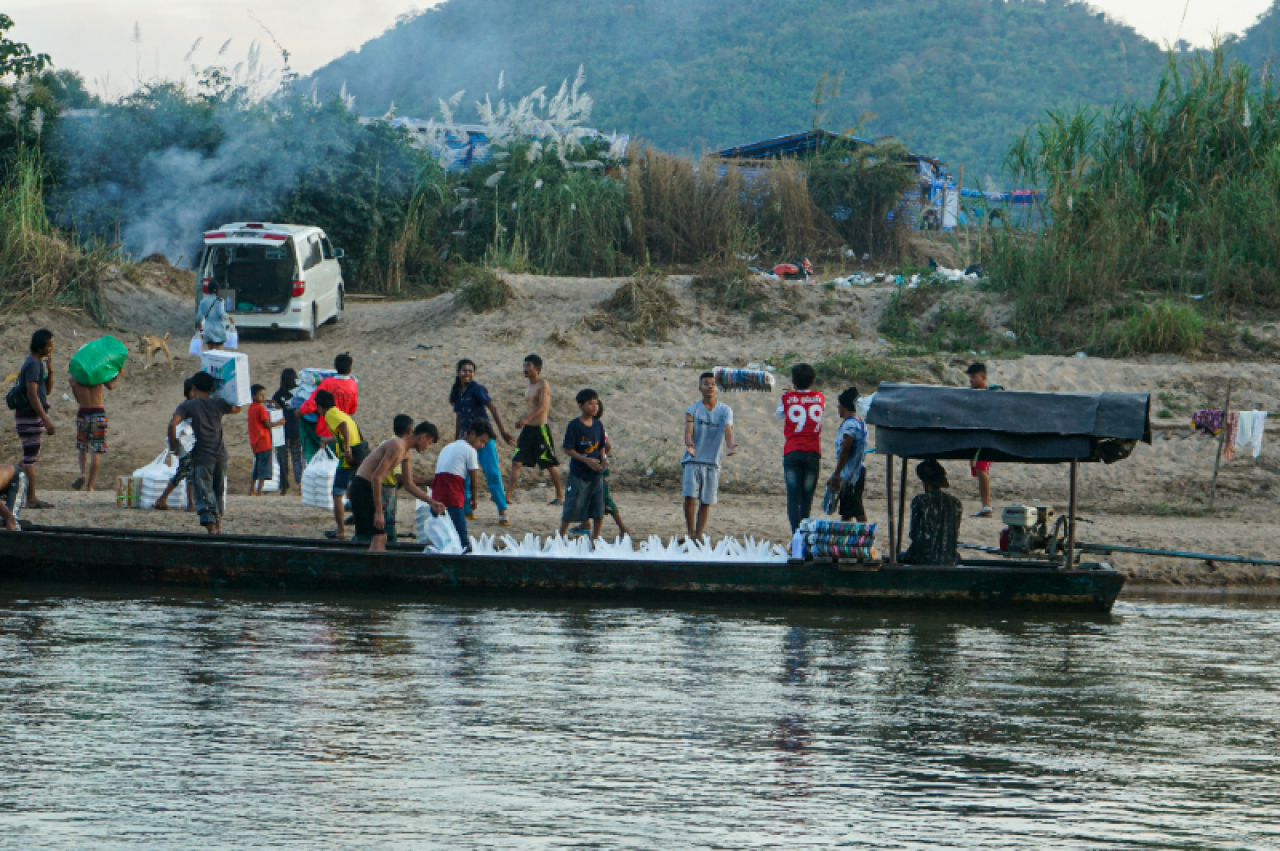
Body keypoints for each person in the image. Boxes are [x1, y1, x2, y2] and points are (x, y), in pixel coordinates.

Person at [351, 420, 444, 552]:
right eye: (429, 443)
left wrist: (432, 502)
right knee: (373, 537)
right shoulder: (397, 446)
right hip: (362, 486)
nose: (427, 448)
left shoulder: (406, 453)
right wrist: (379, 512)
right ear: (423, 437)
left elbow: (408, 484)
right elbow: (376, 477)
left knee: (380, 537)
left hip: (370, 488)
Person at [167, 371, 240, 534]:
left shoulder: (188, 406)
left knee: (204, 494)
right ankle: (219, 526)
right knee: (218, 492)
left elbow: (172, 424)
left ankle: (212, 530)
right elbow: (237, 408)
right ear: (212, 388)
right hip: (221, 456)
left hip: (202, 457)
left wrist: (173, 446)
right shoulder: (218, 404)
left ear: (193, 387)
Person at [449, 359, 514, 526]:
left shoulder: (477, 389)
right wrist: (456, 439)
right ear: (458, 372)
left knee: (492, 472)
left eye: (470, 371)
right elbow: (459, 416)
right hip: (466, 437)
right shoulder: (457, 392)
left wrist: (502, 431)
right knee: (465, 474)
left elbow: (492, 408)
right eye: (464, 370)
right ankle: (467, 509)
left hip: (483, 436)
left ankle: (502, 510)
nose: (467, 373)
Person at [682, 372, 737, 540]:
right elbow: (688, 432)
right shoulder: (692, 410)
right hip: (693, 459)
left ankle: (698, 535)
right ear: (700, 387)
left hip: (712, 462)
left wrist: (730, 445)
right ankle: (690, 533)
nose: (710, 386)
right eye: (706, 383)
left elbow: (728, 429)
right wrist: (690, 445)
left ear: (717, 387)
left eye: (713, 383)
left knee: (706, 500)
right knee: (690, 496)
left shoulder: (725, 410)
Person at [571, 399, 632, 538]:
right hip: (590, 467)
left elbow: (606, 445)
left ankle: (623, 528)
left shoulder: (596, 427)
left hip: (597, 468)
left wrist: (599, 457)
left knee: (604, 499)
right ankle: (585, 523)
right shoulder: (592, 426)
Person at [510, 354, 564, 505]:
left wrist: (526, 418)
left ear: (537, 368)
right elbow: (532, 407)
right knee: (516, 461)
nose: (525, 369)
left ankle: (560, 495)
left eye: (528, 366)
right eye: (524, 366)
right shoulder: (529, 385)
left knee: (549, 463)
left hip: (540, 430)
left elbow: (543, 407)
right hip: (528, 429)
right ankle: (508, 495)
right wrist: (524, 420)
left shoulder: (543, 384)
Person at [777, 362, 825, 532]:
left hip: (792, 450)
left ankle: (795, 535)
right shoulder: (820, 397)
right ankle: (804, 535)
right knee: (806, 499)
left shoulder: (787, 398)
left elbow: (779, 414)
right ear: (813, 381)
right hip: (812, 451)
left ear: (793, 380)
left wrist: (789, 394)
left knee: (793, 498)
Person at [431, 419, 494, 550]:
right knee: (462, 537)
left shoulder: (448, 446)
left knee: (441, 534)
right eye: (481, 441)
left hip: (436, 494)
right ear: (472, 434)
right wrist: (474, 499)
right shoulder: (470, 450)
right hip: (453, 495)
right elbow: (474, 480)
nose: (482, 445)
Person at [315, 388, 368, 540]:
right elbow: (342, 432)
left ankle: (340, 530)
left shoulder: (330, 415)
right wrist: (327, 440)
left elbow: (344, 426)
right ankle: (356, 519)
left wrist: (346, 449)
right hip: (359, 454)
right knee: (354, 490)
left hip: (347, 458)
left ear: (320, 406)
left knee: (337, 493)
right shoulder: (340, 413)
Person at [12, 329, 55, 510]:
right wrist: (46, 419)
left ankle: (8, 482)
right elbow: (32, 394)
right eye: (49, 345)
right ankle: (31, 498)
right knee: (29, 459)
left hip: (30, 415)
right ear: (40, 347)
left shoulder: (36, 364)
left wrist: (50, 370)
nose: (51, 348)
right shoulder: (33, 365)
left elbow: (46, 391)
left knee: (30, 456)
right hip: (30, 416)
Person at [558, 389, 607, 540]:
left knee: (598, 508)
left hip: (596, 473)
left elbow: (601, 446)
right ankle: (560, 537)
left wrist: (603, 458)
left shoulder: (598, 424)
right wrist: (586, 460)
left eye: (596, 403)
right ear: (581, 405)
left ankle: (595, 539)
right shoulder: (574, 425)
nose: (594, 407)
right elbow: (568, 449)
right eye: (590, 404)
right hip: (579, 473)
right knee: (572, 506)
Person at [899, 459, 964, 565]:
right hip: (949, 558)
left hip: (923, 558)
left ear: (925, 482)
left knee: (899, 557)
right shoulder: (956, 503)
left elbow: (914, 533)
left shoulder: (920, 501)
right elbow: (954, 533)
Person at [298, 353, 358, 463]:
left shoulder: (328, 383)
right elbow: (353, 410)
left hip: (326, 430)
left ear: (335, 367)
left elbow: (313, 402)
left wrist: (300, 411)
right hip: (343, 431)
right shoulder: (352, 384)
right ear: (350, 369)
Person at [68, 370, 121, 493]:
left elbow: (78, 399)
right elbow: (111, 385)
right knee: (95, 451)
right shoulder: (99, 373)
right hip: (98, 412)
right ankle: (90, 486)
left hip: (83, 413)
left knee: (82, 447)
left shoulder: (74, 378)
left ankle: (82, 473)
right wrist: (120, 373)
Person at [966, 362, 1004, 518]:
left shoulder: (992, 392)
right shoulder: (970, 394)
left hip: (989, 437)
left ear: (983, 377)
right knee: (977, 468)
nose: (971, 380)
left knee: (981, 468)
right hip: (976, 436)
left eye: (973, 377)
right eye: (970, 377)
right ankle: (985, 507)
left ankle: (987, 507)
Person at [826, 386, 868, 523]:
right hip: (858, 470)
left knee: (856, 509)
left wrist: (836, 475)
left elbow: (845, 450)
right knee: (848, 510)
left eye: (839, 404)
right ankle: (846, 535)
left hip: (850, 475)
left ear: (844, 407)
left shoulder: (849, 425)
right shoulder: (860, 423)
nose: (837, 407)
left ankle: (867, 534)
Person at [155, 378, 197, 512]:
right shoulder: (187, 407)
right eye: (193, 390)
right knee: (187, 472)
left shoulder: (193, 405)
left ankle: (164, 500)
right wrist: (174, 445)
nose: (195, 393)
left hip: (190, 444)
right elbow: (174, 425)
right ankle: (189, 503)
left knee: (184, 472)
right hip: (185, 445)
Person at [271, 368, 304, 495]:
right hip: (296, 430)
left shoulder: (277, 395)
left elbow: (272, 412)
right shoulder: (299, 394)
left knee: (282, 458)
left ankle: (284, 486)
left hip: (281, 431)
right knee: (297, 458)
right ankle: (299, 484)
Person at [247, 384, 273, 496]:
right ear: (253, 396)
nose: (263, 397)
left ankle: (252, 488)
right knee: (264, 467)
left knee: (257, 466)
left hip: (255, 441)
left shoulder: (251, 408)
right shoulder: (260, 408)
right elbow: (267, 424)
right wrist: (279, 422)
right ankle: (259, 490)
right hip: (264, 440)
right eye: (261, 395)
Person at [196, 283, 233, 351]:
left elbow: (199, 316)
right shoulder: (220, 300)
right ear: (217, 290)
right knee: (218, 353)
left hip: (208, 329)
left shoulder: (203, 301)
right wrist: (229, 317)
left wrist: (199, 324)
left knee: (210, 352)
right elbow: (222, 314)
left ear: (208, 290)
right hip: (218, 329)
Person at [0, 464, 26, 531]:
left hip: (16, 478)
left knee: (12, 518)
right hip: (4, 480)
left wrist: (9, 518)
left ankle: (16, 534)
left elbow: (10, 518)